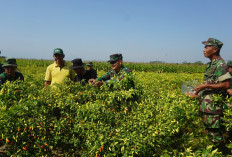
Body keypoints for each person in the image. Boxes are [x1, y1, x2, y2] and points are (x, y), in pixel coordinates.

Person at [193, 38, 231, 143]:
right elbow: (210, 84)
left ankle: (220, 152)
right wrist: (196, 92)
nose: (204, 49)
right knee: (210, 134)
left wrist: (205, 86)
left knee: (216, 137)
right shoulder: (211, 65)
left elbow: (226, 84)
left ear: (215, 49)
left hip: (214, 108)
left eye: (207, 47)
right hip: (207, 107)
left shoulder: (220, 65)